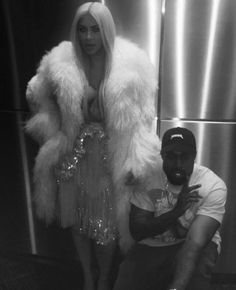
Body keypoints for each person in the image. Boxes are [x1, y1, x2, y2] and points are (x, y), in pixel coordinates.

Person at [25, 2, 161, 290]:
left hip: (111, 158)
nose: (88, 38)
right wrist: (52, 129)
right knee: (76, 220)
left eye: (95, 30)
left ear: (106, 30)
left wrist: (138, 161)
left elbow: (144, 120)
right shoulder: (62, 61)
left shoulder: (133, 66)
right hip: (73, 157)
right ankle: (88, 275)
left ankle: (104, 276)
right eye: (83, 30)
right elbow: (34, 96)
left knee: (107, 228)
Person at [113, 127, 227, 290]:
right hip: (154, 243)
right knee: (126, 278)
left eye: (184, 157)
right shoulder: (149, 177)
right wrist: (176, 212)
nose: (178, 164)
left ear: (194, 156)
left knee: (197, 271)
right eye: (171, 157)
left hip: (196, 244)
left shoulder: (212, 185)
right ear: (162, 156)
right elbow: (137, 231)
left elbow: (194, 244)